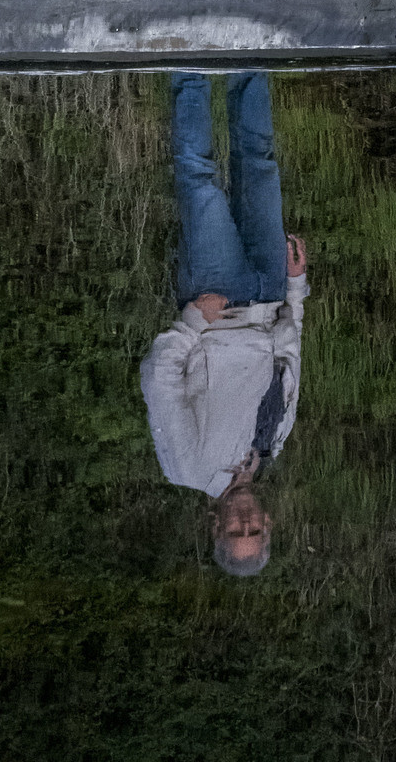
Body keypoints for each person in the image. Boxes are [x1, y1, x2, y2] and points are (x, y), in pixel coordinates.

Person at [140, 72, 309, 577]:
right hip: (269, 290)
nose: (245, 522)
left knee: (199, 178)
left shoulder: (187, 468)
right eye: (253, 531)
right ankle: (249, 56)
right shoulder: (273, 445)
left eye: (235, 531)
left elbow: (157, 378)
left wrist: (193, 321)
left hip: (216, 299)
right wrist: (296, 287)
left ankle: (190, 62)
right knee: (260, 163)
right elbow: (290, 356)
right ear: (269, 523)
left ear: (215, 526)